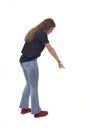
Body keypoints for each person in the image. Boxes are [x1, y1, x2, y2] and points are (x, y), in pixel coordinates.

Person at [19, 18, 65, 118]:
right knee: (34, 87)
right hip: (30, 63)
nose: (51, 32)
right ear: (48, 27)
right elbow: (50, 48)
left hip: (23, 61)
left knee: (29, 84)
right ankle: (36, 111)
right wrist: (58, 61)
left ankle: (24, 107)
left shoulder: (34, 31)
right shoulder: (42, 33)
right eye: (51, 29)